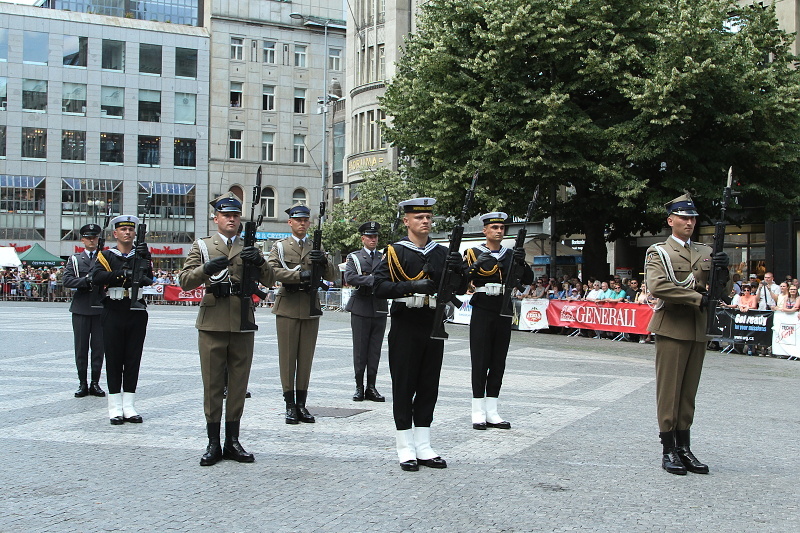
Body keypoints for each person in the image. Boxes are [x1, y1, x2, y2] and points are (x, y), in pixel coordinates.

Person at [179, 193, 275, 466]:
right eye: (226, 215)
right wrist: (205, 269)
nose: (231, 219)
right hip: (212, 321)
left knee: (238, 384)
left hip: (242, 321)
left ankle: (233, 440)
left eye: (235, 215)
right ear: (216, 219)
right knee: (212, 384)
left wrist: (258, 260)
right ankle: (213, 442)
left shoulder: (249, 246)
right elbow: (185, 280)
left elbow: (270, 279)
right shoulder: (203, 246)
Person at [373, 197, 464, 471]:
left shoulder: (441, 252)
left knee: (428, 386)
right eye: (419, 217)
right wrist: (411, 285)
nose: (425, 221)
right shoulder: (394, 252)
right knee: (404, 385)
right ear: (406, 221)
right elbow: (379, 287)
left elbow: (457, 288)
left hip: (432, 321)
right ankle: (405, 446)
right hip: (406, 322)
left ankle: (424, 445)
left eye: (428, 216)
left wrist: (459, 269)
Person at [645, 193, 728, 475]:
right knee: (669, 392)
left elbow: (720, 292)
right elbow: (658, 286)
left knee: (688, 392)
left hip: (698, 329)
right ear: (671, 221)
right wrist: (697, 298)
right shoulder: (659, 252)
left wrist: (723, 272)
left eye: (692, 217)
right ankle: (668, 448)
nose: (689, 222)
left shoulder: (705, 252)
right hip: (672, 327)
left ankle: (684, 447)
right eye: (683, 217)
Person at [267, 204, 337, 425]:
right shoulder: (280, 246)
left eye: (305, 220)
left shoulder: (316, 246)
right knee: (288, 359)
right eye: (298, 220)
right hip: (288, 305)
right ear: (290, 222)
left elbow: (334, 275)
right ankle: (289, 404)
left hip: (309, 306)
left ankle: (301, 404)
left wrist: (323, 261)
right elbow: (271, 273)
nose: (302, 223)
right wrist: (299, 276)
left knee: (305, 359)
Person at [463, 212, 532, 431]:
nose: (499, 231)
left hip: (503, 306)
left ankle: (492, 410)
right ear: (485, 230)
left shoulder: (510, 253)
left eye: (502, 228)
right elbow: (462, 278)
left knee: (498, 361)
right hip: (483, 306)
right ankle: (477, 410)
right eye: (494, 228)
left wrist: (521, 262)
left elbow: (527, 281)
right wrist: (474, 267)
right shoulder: (473, 253)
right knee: (481, 360)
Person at [92, 215, 154, 425]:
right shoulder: (106, 255)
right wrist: (122, 274)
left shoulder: (142, 254)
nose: (127, 233)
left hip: (136, 310)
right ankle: (114, 406)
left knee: (132, 359)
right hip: (114, 308)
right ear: (115, 234)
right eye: (123, 230)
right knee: (114, 358)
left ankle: (129, 405)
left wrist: (141, 263)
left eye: (130, 230)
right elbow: (97, 277)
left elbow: (148, 279)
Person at [343, 221, 389, 402]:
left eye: (375, 236)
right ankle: (359, 386)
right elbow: (350, 277)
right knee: (360, 350)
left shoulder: (384, 257)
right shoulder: (354, 257)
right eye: (370, 236)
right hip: (361, 306)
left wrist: (371, 279)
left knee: (375, 350)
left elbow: (389, 276)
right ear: (363, 238)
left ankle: (371, 386)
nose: (373, 239)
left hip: (378, 307)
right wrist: (372, 280)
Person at [62, 223, 106, 398]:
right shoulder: (74, 259)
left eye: (94, 237)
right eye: (88, 238)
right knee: (81, 348)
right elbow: (67, 281)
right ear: (82, 240)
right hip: (80, 308)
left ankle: (95, 383)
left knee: (98, 348)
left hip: (100, 308)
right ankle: (82, 383)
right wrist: (86, 281)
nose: (91, 240)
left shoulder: (104, 257)